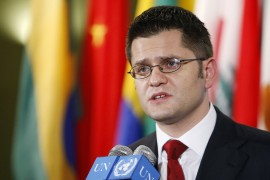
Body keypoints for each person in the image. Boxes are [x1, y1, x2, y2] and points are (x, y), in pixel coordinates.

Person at [125, 6, 270, 180]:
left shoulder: (264, 154)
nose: (155, 80)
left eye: (171, 63)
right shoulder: (124, 165)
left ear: (207, 72)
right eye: (142, 69)